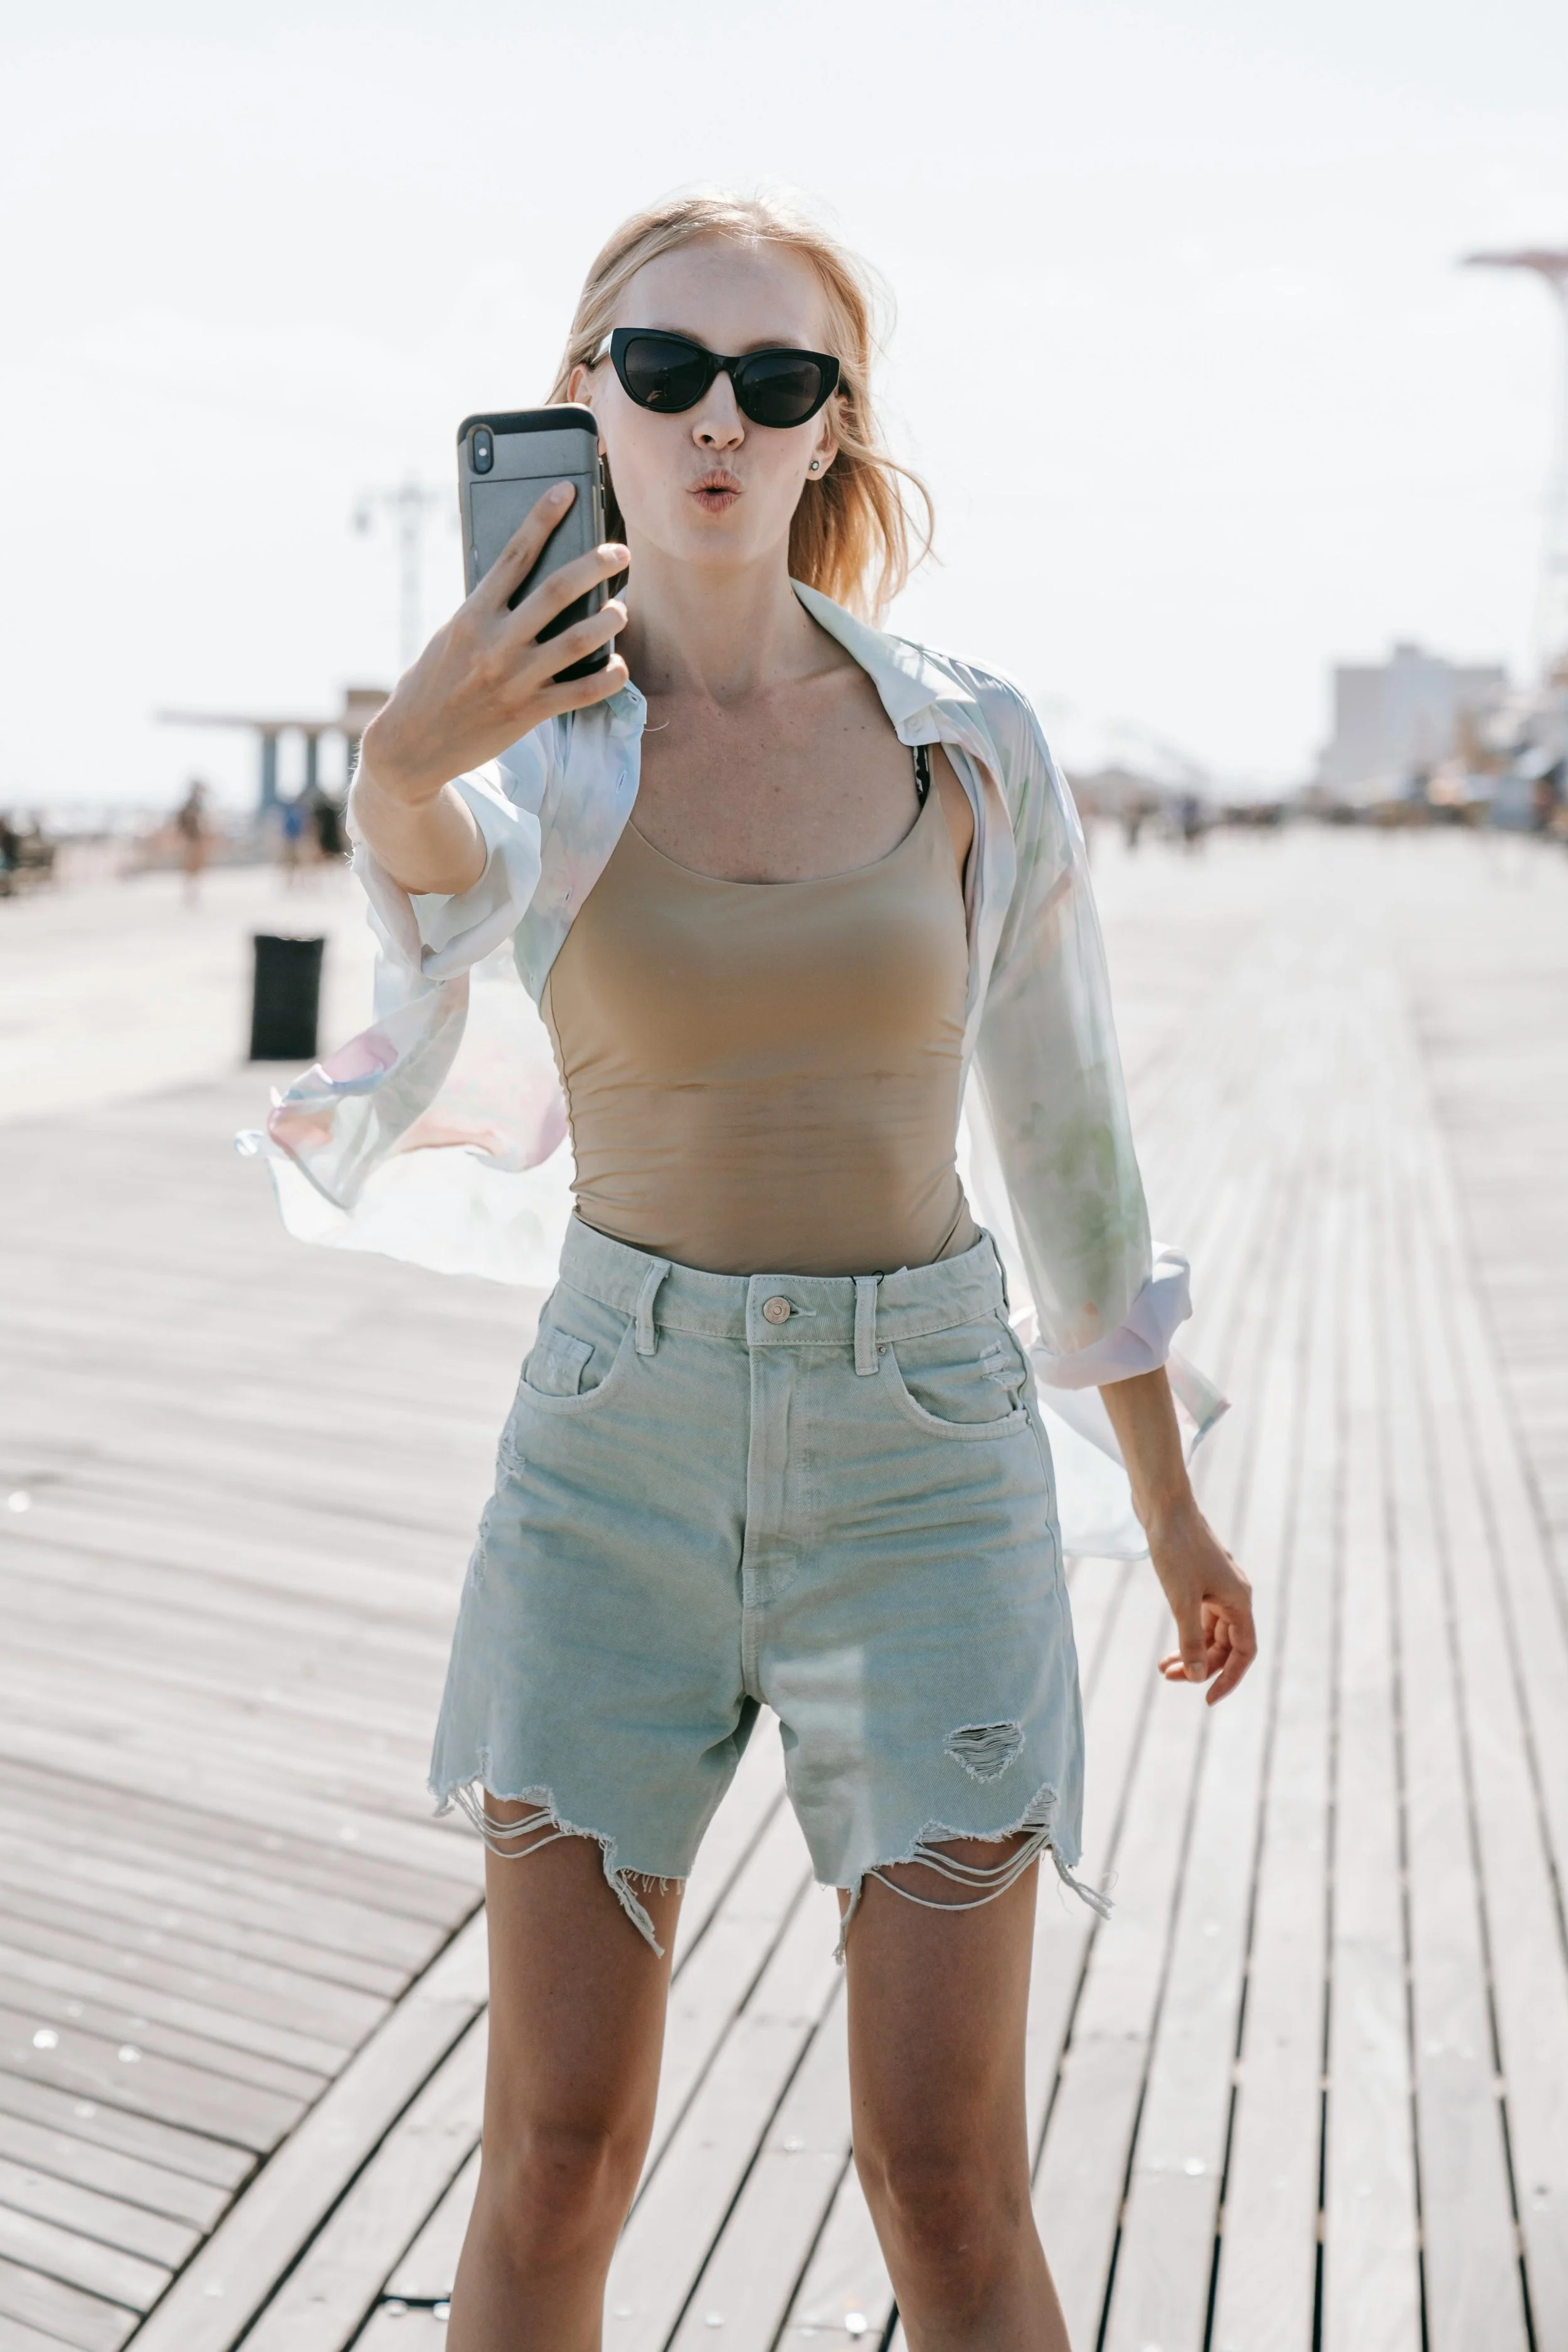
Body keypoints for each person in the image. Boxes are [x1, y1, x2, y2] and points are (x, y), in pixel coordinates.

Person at [300, 192, 1256, 2351]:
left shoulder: (969, 741)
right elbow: (433, 927)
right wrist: (394, 764)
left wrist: (1170, 1499)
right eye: (661, 371)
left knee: (943, 2176)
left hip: (924, 1474)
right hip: (606, 1463)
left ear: (835, 431)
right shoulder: (526, 742)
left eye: (776, 379)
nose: (715, 416)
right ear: (586, 405)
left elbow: (1070, 1143)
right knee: (556, 2155)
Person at [174, 779, 209, 904]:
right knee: (191, 868)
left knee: (195, 868)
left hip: (194, 840)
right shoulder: (191, 806)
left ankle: (192, 893)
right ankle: (190, 893)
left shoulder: (196, 805)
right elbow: (183, 822)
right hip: (191, 840)